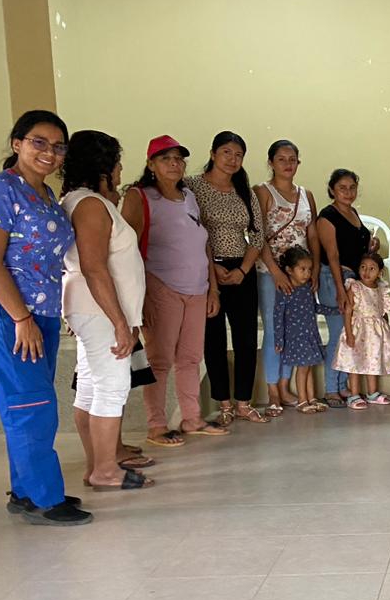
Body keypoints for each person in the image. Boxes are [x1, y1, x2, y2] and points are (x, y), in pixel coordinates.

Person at [0, 111, 90, 525]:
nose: (49, 153)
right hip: (10, 313)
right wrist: (22, 318)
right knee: (31, 405)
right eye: (39, 142)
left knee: (28, 402)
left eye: (58, 146)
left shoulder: (45, 195)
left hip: (42, 314)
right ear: (17, 143)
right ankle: (44, 498)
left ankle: (26, 491)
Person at [60, 131, 152, 491]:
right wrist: (119, 322)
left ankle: (96, 466)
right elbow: (94, 267)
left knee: (91, 386)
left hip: (91, 309)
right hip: (100, 311)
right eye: (117, 164)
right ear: (103, 167)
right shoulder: (89, 205)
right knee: (112, 386)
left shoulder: (83, 201)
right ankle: (105, 470)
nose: (120, 171)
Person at [123, 135, 225, 446]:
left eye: (179, 159)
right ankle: (156, 425)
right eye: (166, 159)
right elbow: (127, 249)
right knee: (160, 360)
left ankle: (192, 418)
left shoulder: (188, 196)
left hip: (197, 289)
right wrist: (139, 297)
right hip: (161, 287)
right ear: (151, 164)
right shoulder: (140, 197)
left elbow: (202, 244)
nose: (174, 164)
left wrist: (213, 289)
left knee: (191, 358)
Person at [185, 131, 267, 426]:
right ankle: (223, 403)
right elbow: (188, 229)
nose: (233, 159)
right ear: (212, 154)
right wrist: (212, 269)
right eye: (226, 153)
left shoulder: (244, 190)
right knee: (213, 337)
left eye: (239, 155)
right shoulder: (192, 186)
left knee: (246, 337)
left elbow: (257, 235)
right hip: (207, 269)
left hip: (242, 270)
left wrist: (243, 269)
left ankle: (244, 402)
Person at [255, 140, 318, 415]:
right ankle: (272, 390)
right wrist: (276, 271)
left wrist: (314, 269)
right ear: (271, 162)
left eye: (292, 159)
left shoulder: (306, 195)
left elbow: (312, 234)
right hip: (271, 273)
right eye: (281, 159)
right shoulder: (262, 192)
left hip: (300, 276)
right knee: (274, 329)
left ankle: (285, 386)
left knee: (295, 331)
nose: (288, 164)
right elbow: (257, 234)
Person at [314, 168, 373, 408]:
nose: (348, 192)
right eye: (342, 188)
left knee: (349, 335)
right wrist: (340, 289)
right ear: (332, 190)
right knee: (339, 334)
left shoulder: (353, 213)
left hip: (352, 280)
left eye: (352, 188)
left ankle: (341, 386)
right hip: (334, 278)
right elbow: (333, 255)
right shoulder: (327, 216)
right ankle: (331, 388)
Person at [335, 252, 390, 408]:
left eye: (372, 268)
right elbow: (348, 311)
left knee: (373, 361)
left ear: (380, 272)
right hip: (358, 331)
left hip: (375, 334)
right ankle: (354, 395)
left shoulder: (381, 289)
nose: (366, 271)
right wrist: (349, 333)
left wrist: (386, 332)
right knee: (354, 362)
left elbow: (382, 312)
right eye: (363, 267)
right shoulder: (355, 287)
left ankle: (372, 393)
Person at [271, 246, 324, 413]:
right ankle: (302, 401)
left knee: (309, 367)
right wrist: (279, 339)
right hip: (296, 338)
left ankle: (311, 398)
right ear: (289, 270)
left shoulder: (307, 288)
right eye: (302, 269)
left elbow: (314, 308)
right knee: (303, 369)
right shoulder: (284, 291)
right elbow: (277, 316)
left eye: (309, 269)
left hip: (310, 335)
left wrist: (336, 310)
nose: (307, 273)